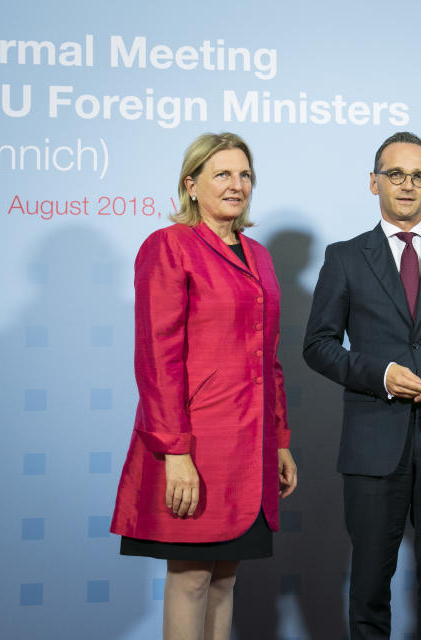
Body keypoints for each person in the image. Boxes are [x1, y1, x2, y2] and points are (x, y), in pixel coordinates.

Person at [303, 131, 421, 639]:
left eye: (418, 176)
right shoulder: (344, 257)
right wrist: (382, 376)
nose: (406, 185)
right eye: (395, 174)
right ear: (374, 182)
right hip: (372, 443)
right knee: (369, 589)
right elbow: (318, 344)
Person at [110, 132, 297, 640]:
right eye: (222, 174)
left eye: (245, 175)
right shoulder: (168, 246)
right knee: (191, 578)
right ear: (191, 185)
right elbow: (157, 358)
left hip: (251, 444)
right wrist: (175, 451)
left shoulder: (259, 255)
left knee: (226, 579)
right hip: (196, 443)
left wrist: (279, 440)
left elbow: (270, 358)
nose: (237, 185)